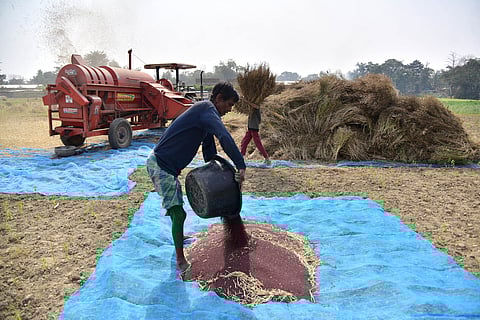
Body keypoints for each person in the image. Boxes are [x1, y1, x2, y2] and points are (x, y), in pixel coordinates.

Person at [146, 81, 246, 273]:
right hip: (161, 165)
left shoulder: (204, 115)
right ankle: (180, 260)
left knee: (177, 211)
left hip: (168, 167)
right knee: (179, 213)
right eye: (228, 105)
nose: (229, 110)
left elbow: (209, 152)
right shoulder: (207, 111)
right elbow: (224, 136)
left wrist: (221, 172)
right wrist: (240, 166)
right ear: (218, 99)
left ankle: (178, 234)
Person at [240, 99, 270, 164]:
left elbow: (257, 107)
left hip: (254, 128)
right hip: (250, 128)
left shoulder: (256, 106)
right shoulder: (250, 109)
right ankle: (241, 157)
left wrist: (248, 102)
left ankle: (267, 158)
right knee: (244, 142)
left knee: (258, 144)